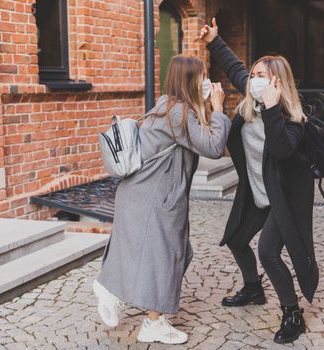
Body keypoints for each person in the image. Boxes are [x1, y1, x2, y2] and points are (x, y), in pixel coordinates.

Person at [93, 55, 231, 344]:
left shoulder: (168, 105)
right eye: (203, 76)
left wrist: (206, 109)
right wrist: (218, 108)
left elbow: (198, 136)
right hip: (153, 200)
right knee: (165, 256)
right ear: (191, 79)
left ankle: (148, 315)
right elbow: (213, 146)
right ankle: (132, 306)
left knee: (167, 256)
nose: (207, 82)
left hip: (146, 196)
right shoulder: (177, 112)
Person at [200, 18, 318, 344]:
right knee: (236, 240)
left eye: (260, 77)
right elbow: (234, 66)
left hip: (283, 197)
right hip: (255, 190)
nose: (251, 80)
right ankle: (253, 289)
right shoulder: (251, 101)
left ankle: (292, 313)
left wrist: (271, 108)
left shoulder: (293, 119)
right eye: (252, 76)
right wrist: (214, 39)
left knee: (268, 251)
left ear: (277, 82)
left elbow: (280, 152)